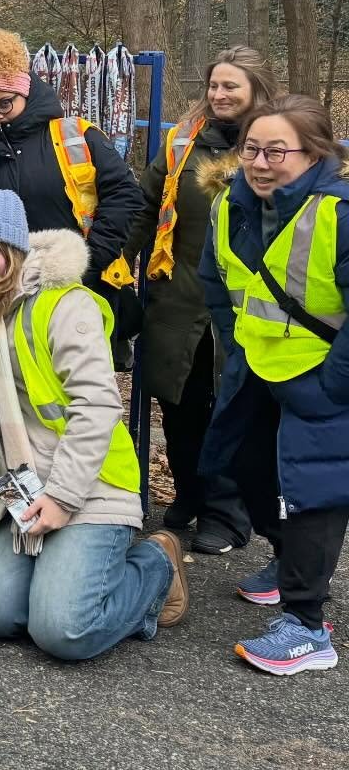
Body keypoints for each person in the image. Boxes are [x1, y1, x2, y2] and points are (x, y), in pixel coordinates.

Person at [0, 190, 187, 661]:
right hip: (20, 487)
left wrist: (63, 498)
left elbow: (96, 405)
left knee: (63, 631)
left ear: (16, 251)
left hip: (89, 486)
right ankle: (62, 572)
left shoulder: (66, 305)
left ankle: (155, 565)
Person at [199, 95, 349, 675]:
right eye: (252, 149)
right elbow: (216, 284)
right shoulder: (227, 207)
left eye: (276, 151)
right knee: (245, 468)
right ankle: (290, 568)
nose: (260, 162)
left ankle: (307, 626)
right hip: (256, 369)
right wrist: (238, 347)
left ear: (314, 154)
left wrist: (332, 385)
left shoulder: (337, 212)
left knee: (313, 494)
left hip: (322, 380)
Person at [126, 47, 273, 553]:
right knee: (181, 405)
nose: (220, 95)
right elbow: (146, 206)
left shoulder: (276, 146)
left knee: (234, 408)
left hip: (247, 305)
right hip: (180, 299)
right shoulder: (181, 143)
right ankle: (189, 492)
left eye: (231, 86)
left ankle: (228, 514)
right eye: (214, 86)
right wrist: (111, 263)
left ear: (256, 90)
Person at [0, 28, 143, 302]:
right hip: (2, 296)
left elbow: (125, 196)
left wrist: (88, 262)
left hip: (85, 289)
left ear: (25, 93)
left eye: (5, 104)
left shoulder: (76, 137)